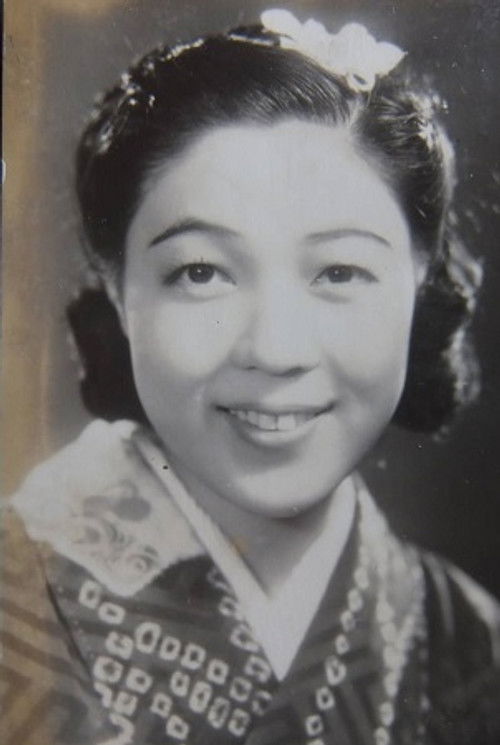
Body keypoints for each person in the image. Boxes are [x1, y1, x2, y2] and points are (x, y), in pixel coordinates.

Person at [1, 8, 499, 745]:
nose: (275, 348)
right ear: (119, 289)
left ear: (419, 283)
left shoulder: (472, 646)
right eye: (202, 272)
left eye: (340, 271)